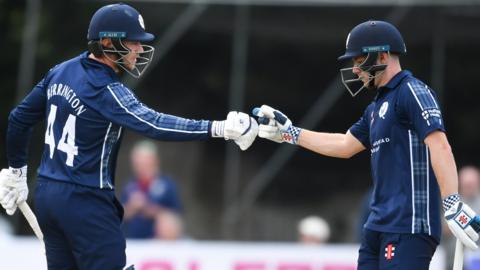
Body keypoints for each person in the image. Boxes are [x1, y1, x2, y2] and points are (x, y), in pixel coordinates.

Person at [0, 3, 258, 270]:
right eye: (132, 42)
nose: (139, 49)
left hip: (47, 195)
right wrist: (218, 127)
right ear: (108, 42)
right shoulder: (106, 90)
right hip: (86, 201)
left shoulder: (60, 72)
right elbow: (153, 123)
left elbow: (19, 118)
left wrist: (18, 172)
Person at [253, 20, 480, 269]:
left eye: (359, 60)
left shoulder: (413, 91)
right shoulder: (375, 107)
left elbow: (440, 146)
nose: (356, 69)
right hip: (377, 226)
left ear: (383, 55)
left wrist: (451, 202)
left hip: (409, 226)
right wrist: (289, 134)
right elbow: (344, 144)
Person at [122, 140, 182, 239]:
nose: (139, 166)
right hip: (132, 243)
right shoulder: (130, 185)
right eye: (137, 162)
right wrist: (131, 207)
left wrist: (149, 208)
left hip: (159, 244)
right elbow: (119, 214)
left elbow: (175, 215)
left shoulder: (167, 185)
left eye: (143, 161)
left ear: (154, 160)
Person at [442, 165, 480, 269]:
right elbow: (442, 228)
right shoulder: (450, 204)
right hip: (452, 260)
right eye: (466, 184)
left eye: (471, 184)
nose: (469, 187)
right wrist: (459, 221)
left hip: (476, 261)